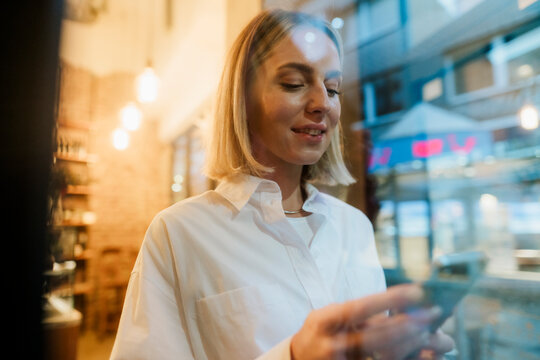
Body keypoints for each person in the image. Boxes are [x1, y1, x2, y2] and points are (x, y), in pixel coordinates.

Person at [110, 9, 454, 360]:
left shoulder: (355, 227)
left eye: (332, 88)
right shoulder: (179, 234)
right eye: (294, 83)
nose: (323, 103)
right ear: (242, 98)